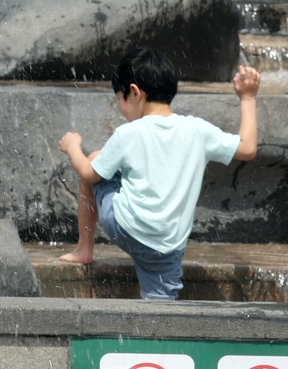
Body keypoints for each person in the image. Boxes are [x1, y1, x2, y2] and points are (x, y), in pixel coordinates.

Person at [57, 47, 259, 300]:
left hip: (127, 228)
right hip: (168, 246)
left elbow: (87, 174)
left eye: (119, 98)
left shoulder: (129, 133)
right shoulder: (197, 130)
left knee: (95, 159)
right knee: (160, 310)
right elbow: (248, 148)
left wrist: (72, 146)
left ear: (134, 92)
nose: (120, 106)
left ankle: (84, 249)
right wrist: (248, 97)